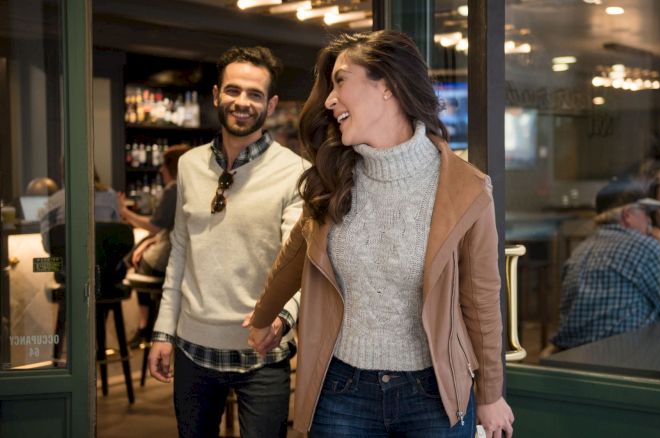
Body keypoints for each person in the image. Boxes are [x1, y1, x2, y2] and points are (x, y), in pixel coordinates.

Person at [247, 30, 514, 438]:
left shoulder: (467, 189)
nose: (329, 100)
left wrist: (491, 393)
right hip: (341, 391)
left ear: (387, 85)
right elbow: (295, 256)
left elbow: (481, 300)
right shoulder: (333, 177)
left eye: (340, 81)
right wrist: (263, 318)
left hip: (435, 394)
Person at [146, 46, 306, 438]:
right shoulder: (189, 165)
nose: (242, 102)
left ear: (270, 105)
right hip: (192, 348)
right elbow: (180, 252)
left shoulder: (296, 171)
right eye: (233, 91)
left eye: (255, 94)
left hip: (262, 351)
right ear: (217, 95)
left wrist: (282, 319)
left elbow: (300, 264)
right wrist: (163, 332)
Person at [551, 179, 660, 350]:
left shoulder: (580, 251)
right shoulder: (642, 247)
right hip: (621, 355)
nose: (649, 220)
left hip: (571, 355)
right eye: (645, 212)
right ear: (627, 215)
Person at [118, 144, 189, 346]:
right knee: (141, 254)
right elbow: (170, 228)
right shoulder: (191, 188)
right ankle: (151, 325)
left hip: (170, 258)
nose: (160, 170)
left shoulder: (173, 189)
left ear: (171, 167)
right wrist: (149, 242)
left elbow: (155, 226)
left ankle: (145, 326)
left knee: (140, 263)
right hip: (185, 258)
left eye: (163, 165)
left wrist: (124, 212)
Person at [39, 171, 120, 252]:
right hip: (104, 257)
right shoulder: (110, 195)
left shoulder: (55, 200)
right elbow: (116, 234)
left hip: (68, 257)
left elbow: (47, 245)